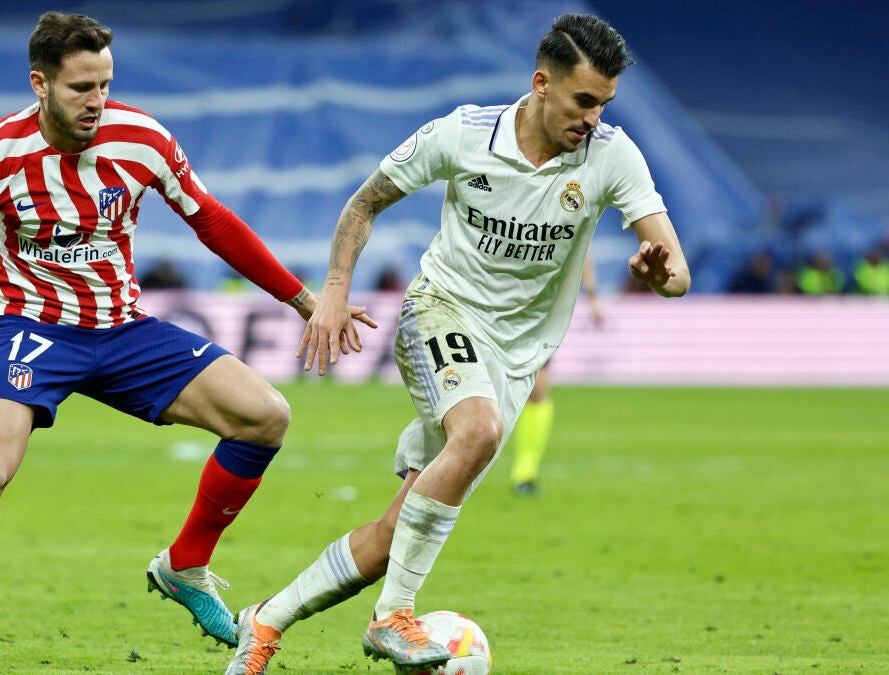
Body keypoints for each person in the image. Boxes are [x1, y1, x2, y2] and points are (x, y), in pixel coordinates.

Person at [0, 12, 374, 675]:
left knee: (266, 416)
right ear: (40, 84)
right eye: (81, 87)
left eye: (105, 85)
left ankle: (184, 565)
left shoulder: (143, 139)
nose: (97, 101)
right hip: (32, 329)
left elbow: (212, 221)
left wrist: (304, 299)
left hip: (122, 330)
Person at [226, 13, 690, 674]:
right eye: (583, 101)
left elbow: (677, 271)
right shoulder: (464, 134)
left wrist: (658, 274)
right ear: (541, 83)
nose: (593, 119)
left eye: (603, 105)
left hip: (516, 358)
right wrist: (332, 289)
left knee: (395, 534)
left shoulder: (611, 155)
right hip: (439, 311)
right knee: (477, 431)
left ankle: (265, 620)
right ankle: (393, 616)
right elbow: (363, 203)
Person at [508, 249, 605, 495]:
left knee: (537, 391)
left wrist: (592, 296)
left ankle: (525, 472)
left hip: (539, 312)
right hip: (501, 305)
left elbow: (583, 248)